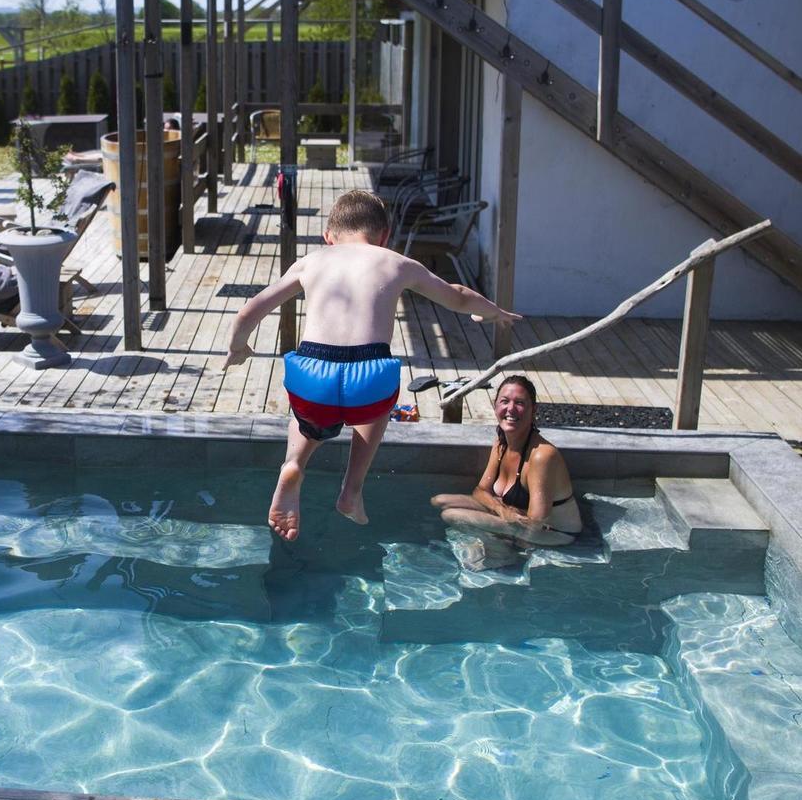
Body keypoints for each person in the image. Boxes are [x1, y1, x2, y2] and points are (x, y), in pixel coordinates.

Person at [224, 189, 522, 542]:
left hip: (312, 378)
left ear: (329, 237)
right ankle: (352, 489)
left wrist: (237, 348)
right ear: (384, 236)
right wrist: (492, 312)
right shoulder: (395, 262)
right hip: (369, 381)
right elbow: (457, 295)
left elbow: (249, 311)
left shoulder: (311, 261)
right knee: (380, 393)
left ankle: (293, 466)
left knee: (306, 419)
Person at [430, 374, 582, 548]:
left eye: (519, 403)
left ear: (533, 410)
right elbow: (479, 491)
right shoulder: (501, 445)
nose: (511, 409)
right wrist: (502, 510)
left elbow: (535, 523)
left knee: (451, 515)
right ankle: (497, 540)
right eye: (505, 401)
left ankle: (500, 550)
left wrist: (511, 546)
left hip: (554, 533)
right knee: (439, 500)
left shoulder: (541, 456)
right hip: (517, 518)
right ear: (495, 406)